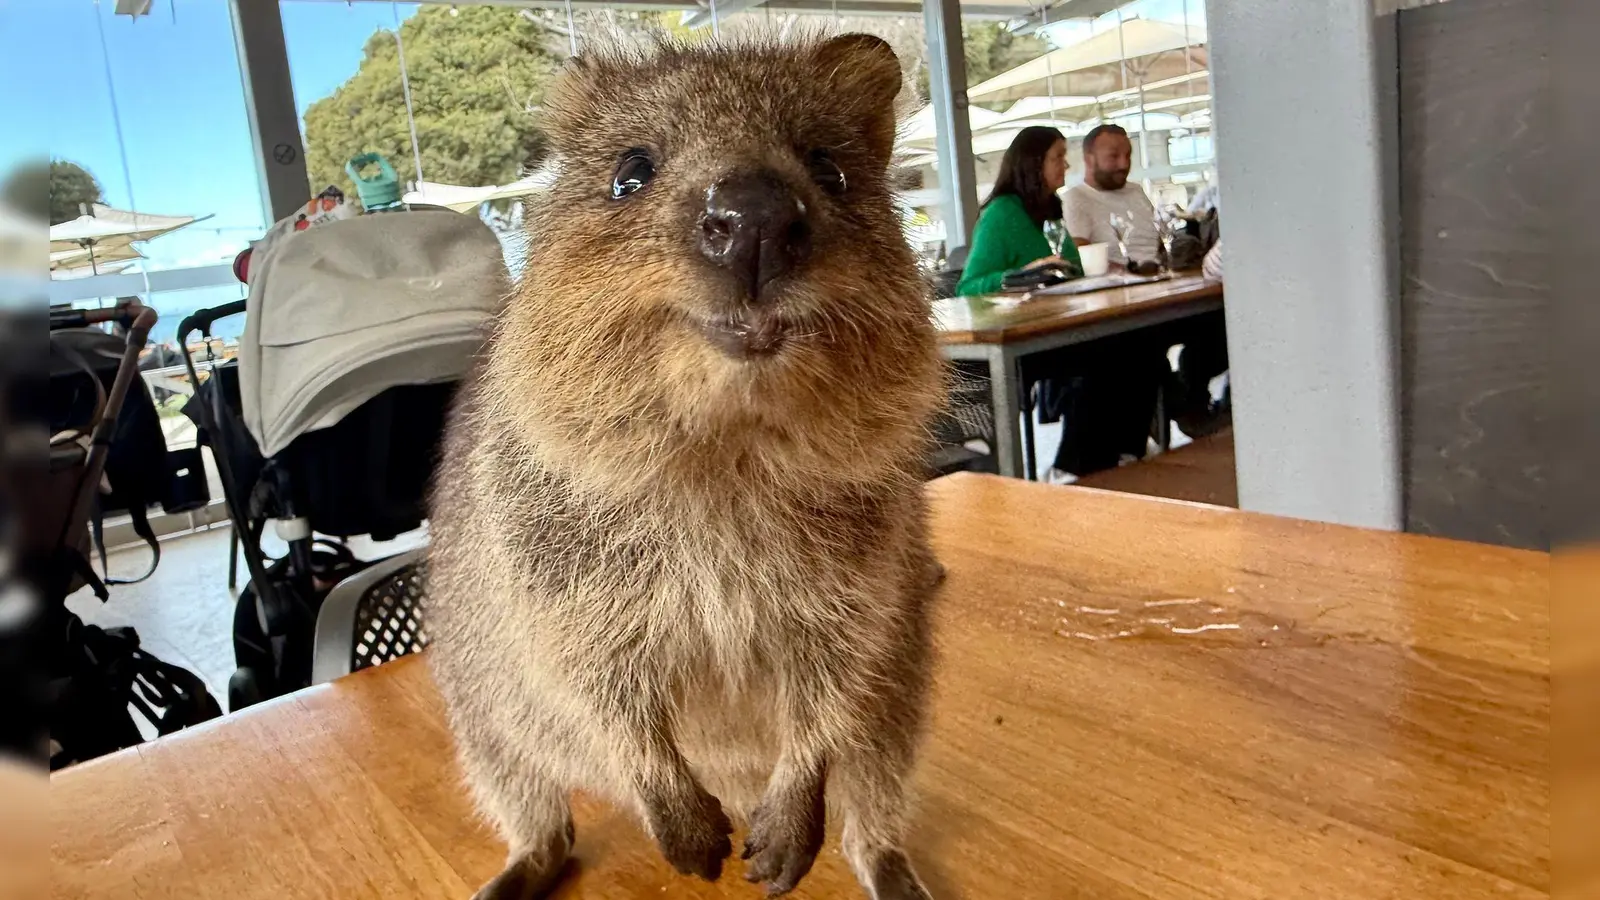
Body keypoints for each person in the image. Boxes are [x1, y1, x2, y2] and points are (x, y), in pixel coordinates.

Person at [955, 126, 1082, 297]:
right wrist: (1022, 276)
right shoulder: (1000, 214)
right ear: (1034, 163)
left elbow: (1073, 267)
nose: (1066, 165)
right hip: (1026, 319)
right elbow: (968, 287)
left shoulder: (1051, 205)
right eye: (1058, 157)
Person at [1063, 124, 1159, 266]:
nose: (1124, 164)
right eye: (1113, 156)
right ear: (1089, 159)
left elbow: (1160, 240)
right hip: (1120, 281)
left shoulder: (1136, 191)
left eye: (1128, 155)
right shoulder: (1077, 197)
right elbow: (1083, 259)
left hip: (1159, 273)